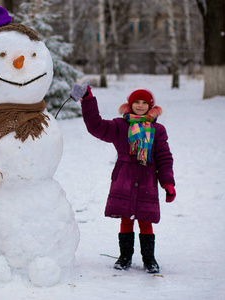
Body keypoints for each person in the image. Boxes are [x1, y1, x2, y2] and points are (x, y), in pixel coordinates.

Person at [71, 83, 175, 273]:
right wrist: (88, 99)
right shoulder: (119, 126)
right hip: (124, 180)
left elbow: (164, 158)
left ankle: (149, 259)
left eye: (145, 102)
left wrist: (168, 183)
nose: (141, 105)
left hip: (147, 180)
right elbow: (95, 125)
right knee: (126, 218)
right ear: (130, 104)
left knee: (145, 220)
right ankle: (125, 256)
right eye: (137, 102)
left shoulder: (158, 130)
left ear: (151, 106)